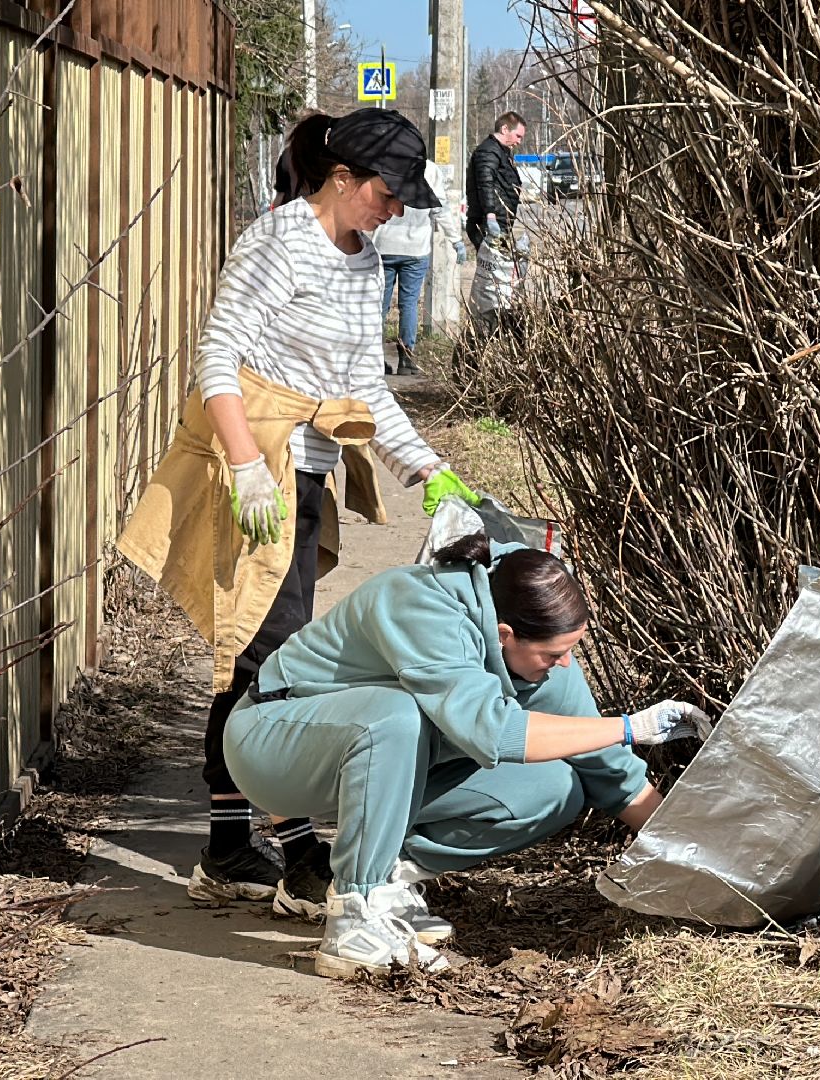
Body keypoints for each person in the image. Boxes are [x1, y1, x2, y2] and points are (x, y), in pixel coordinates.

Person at [152, 108, 484, 912]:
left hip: (306, 478)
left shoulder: (364, 258)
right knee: (278, 664)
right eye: (386, 191)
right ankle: (300, 857)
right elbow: (216, 356)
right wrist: (242, 466)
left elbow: (365, 387)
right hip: (256, 477)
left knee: (258, 659)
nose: (393, 208)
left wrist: (429, 470)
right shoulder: (277, 241)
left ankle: (231, 847)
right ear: (342, 178)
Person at [223, 534, 710, 976]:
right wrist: (631, 727)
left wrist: (700, 863)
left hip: (374, 768)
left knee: (556, 785)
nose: (564, 664)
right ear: (504, 635)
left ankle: (388, 878)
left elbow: (612, 772)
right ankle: (355, 913)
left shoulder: (542, 663)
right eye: (553, 654)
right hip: (273, 747)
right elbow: (494, 733)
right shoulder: (417, 603)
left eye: (569, 651)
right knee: (397, 715)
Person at [372, 161, 462, 375]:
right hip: (416, 248)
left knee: (379, 307)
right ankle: (406, 359)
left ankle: (375, 359)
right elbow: (439, 209)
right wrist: (456, 239)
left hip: (384, 245)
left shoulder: (387, 165)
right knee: (409, 305)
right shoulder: (430, 170)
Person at [465, 111, 525, 249]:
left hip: (498, 223)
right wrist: (491, 217)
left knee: (496, 269)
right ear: (505, 129)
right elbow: (485, 184)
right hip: (487, 224)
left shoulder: (501, 152)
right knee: (493, 269)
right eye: (518, 136)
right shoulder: (489, 151)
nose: (519, 141)